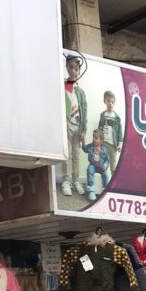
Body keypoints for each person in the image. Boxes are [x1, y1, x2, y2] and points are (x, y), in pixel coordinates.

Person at [62, 54, 87, 197]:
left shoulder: (81, 92)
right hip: (67, 124)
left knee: (76, 155)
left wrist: (84, 130)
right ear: (67, 68)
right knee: (67, 154)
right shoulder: (63, 86)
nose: (73, 71)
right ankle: (66, 180)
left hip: (78, 126)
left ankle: (76, 180)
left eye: (76, 69)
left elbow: (85, 110)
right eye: (71, 68)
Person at [82, 129, 111, 202]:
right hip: (93, 165)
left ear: (101, 141)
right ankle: (91, 190)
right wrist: (83, 142)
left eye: (96, 138)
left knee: (105, 175)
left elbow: (107, 160)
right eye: (93, 137)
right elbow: (85, 149)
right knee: (89, 170)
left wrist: (105, 165)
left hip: (101, 166)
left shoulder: (104, 149)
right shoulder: (91, 146)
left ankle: (105, 190)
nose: (94, 139)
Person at [97, 90, 123, 171]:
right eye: (108, 101)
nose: (110, 103)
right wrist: (98, 142)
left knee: (113, 166)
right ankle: (104, 178)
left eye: (112, 102)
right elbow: (99, 129)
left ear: (114, 103)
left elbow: (120, 132)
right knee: (103, 164)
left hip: (113, 145)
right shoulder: (102, 115)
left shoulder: (117, 117)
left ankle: (113, 178)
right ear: (104, 101)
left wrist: (120, 144)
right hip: (104, 143)